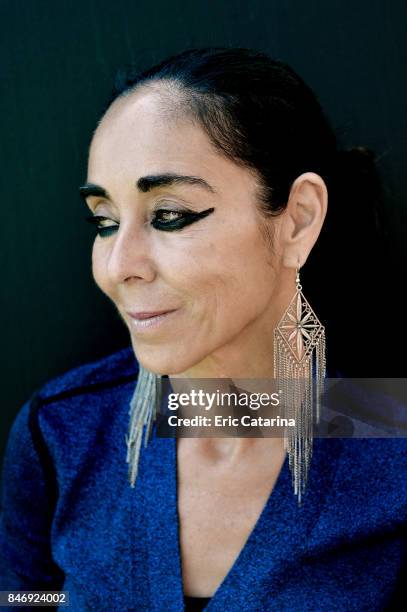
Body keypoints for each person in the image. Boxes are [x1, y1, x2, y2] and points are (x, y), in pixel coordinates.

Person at [0, 47, 405, 611]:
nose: (119, 266)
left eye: (171, 215)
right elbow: (24, 598)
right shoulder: (64, 430)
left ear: (298, 218)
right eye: (104, 222)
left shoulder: (392, 452)